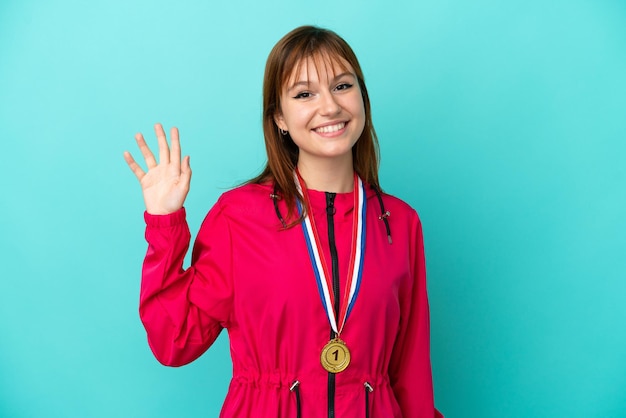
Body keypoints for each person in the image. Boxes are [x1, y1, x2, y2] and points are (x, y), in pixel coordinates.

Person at [124, 25, 443, 418]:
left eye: (342, 86)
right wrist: (164, 224)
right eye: (304, 94)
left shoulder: (399, 222)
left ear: (362, 97)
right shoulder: (238, 217)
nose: (329, 107)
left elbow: (410, 374)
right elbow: (174, 341)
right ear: (279, 118)